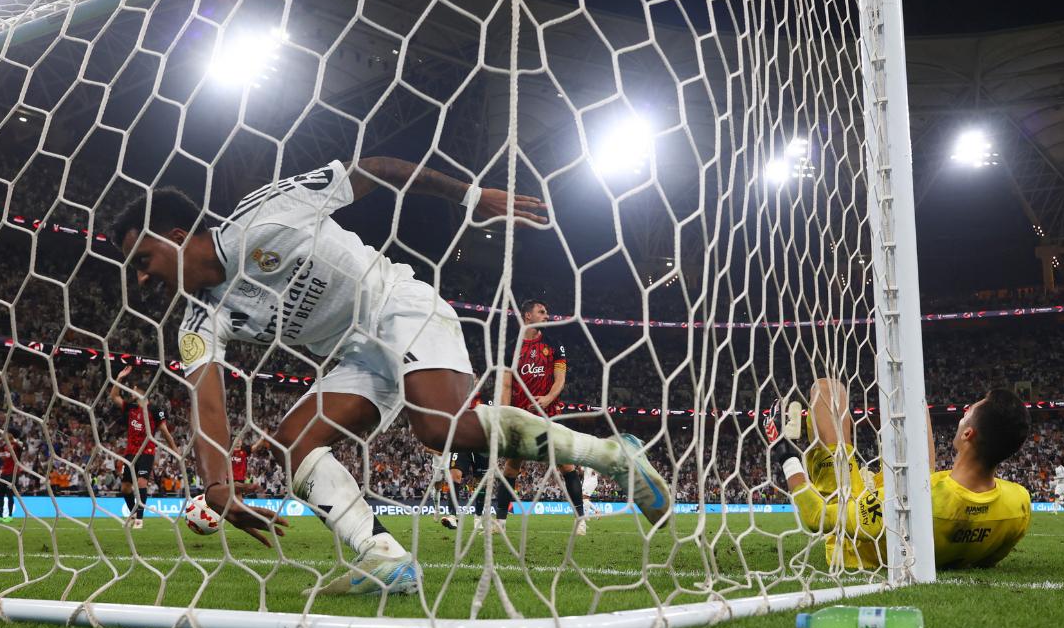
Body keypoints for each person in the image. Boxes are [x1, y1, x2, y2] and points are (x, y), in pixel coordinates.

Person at [112, 157, 671, 596]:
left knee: (439, 429)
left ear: (178, 234)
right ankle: (383, 557)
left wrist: (473, 196)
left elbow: (375, 169)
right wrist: (216, 486)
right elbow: (206, 403)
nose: (141, 281)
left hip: (397, 304)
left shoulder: (267, 215)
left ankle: (614, 457)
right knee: (291, 445)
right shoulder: (197, 322)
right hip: (357, 355)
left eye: (142, 261)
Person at [779, 378, 1031, 570]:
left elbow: (815, 516)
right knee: (914, 394)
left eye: (967, 414)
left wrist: (785, 456)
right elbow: (988, 560)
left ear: (968, 434)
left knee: (827, 389)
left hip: (857, 536)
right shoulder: (1018, 505)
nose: (961, 417)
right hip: (918, 504)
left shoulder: (911, 501)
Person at [491, 299, 587, 534]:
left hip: (549, 414)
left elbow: (560, 379)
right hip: (521, 416)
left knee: (566, 464)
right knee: (512, 467)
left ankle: (580, 520)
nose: (547, 315)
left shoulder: (554, 344)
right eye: (541, 312)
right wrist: (505, 414)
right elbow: (505, 384)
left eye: (547, 312)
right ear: (527, 316)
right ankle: (500, 522)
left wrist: (548, 398)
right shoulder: (510, 348)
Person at [110, 365, 178, 529]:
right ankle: (133, 513)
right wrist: (119, 378)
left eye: (133, 389)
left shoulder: (155, 410)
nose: (131, 392)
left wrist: (175, 451)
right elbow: (114, 397)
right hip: (130, 453)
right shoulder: (131, 407)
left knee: (141, 483)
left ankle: (139, 519)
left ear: (140, 391)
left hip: (146, 452)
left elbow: (164, 431)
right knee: (125, 488)